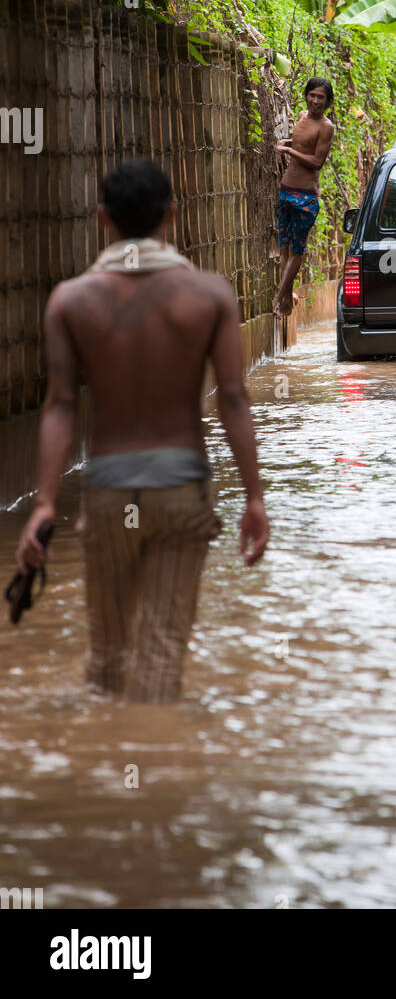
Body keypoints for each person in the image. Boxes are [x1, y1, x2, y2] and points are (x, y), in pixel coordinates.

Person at [15, 160, 270, 704]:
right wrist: (254, 495)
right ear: (171, 216)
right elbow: (232, 399)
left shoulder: (71, 301)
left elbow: (59, 406)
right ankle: (153, 770)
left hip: (109, 494)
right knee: (160, 654)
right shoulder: (209, 296)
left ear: (103, 219)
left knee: (105, 659)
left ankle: (109, 768)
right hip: (181, 492)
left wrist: (43, 504)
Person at [273, 77, 335, 316]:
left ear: (328, 101)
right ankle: (288, 299)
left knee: (297, 250)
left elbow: (317, 161)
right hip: (286, 189)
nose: (316, 101)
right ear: (306, 95)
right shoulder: (301, 116)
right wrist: (288, 141)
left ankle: (279, 298)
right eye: (312, 95)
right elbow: (301, 143)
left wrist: (288, 150)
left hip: (305, 197)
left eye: (321, 97)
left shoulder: (326, 127)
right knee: (283, 248)